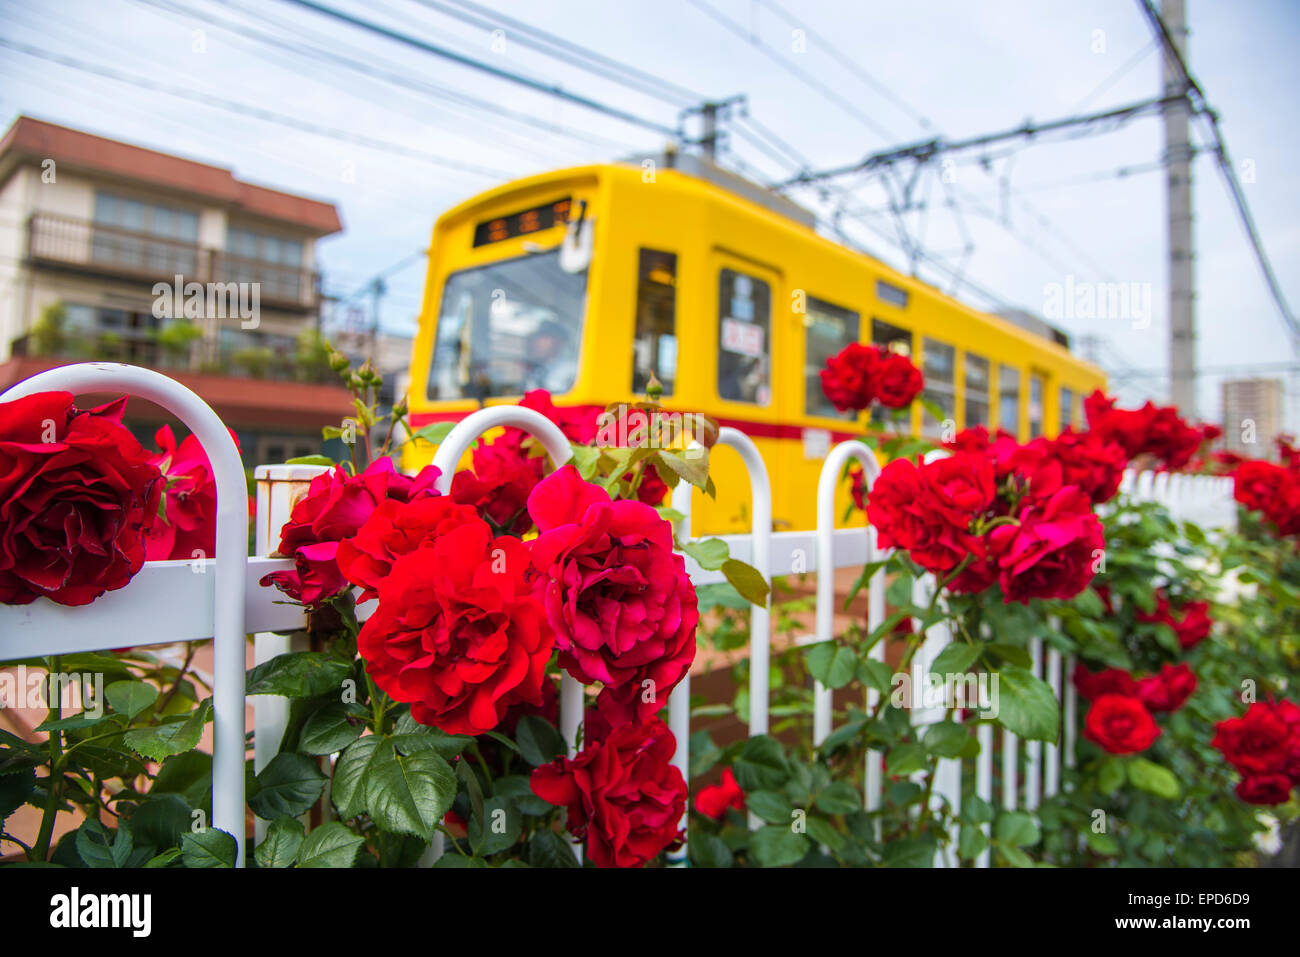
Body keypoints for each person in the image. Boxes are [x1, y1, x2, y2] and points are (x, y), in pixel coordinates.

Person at [520, 317, 578, 393]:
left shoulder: (572, 370)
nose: (538, 343)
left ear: (559, 342)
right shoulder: (534, 369)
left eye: (545, 338)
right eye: (536, 338)